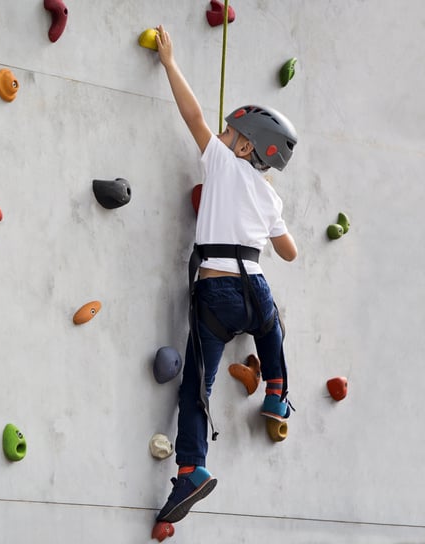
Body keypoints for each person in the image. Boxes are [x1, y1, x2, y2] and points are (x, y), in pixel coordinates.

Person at [153, 24, 299, 523]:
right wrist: (270, 222)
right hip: (255, 287)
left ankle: (192, 468)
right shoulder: (270, 195)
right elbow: (290, 252)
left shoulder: (219, 161)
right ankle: (277, 392)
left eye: (229, 132)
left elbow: (191, 114)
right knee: (271, 325)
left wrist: (171, 63)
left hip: (214, 296)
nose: (219, 134)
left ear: (241, 148)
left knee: (197, 386)